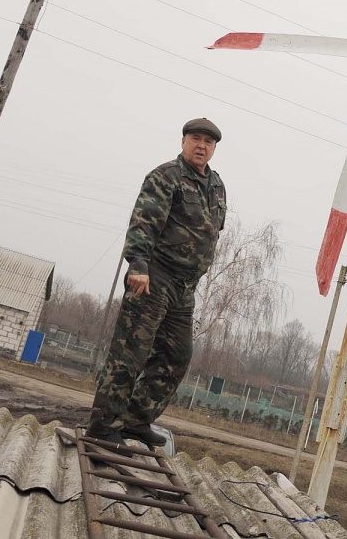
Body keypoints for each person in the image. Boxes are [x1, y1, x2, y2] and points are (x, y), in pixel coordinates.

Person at [87, 118, 227, 446]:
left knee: (177, 355)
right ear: (183, 141)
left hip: (184, 287)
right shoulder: (166, 177)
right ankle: (103, 424)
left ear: (214, 148)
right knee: (130, 351)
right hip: (153, 277)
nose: (201, 146)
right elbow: (144, 222)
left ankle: (137, 420)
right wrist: (138, 264)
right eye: (195, 138)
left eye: (208, 142)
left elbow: (211, 232)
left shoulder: (217, 186)